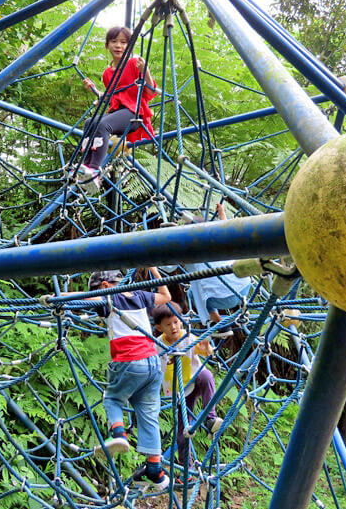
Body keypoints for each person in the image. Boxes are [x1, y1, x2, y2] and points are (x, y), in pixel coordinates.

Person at [90, 266, 172, 491]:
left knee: (113, 398)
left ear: (105, 285)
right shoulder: (139, 294)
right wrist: (155, 271)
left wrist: (55, 298)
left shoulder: (107, 296)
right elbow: (167, 297)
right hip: (153, 363)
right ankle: (154, 468)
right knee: (149, 414)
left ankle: (119, 433)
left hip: (129, 361)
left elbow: (80, 300)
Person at [78, 26, 157, 191]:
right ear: (107, 45)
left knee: (101, 125)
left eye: (123, 42)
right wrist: (97, 92)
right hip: (117, 113)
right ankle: (85, 166)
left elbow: (150, 92)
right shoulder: (107, 73)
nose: (118, 46)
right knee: (89, 123)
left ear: (129, 46)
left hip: (134, 114)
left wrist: (146, 73)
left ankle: (94, 170)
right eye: (114, 41)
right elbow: (112, 97)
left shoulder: (134, 64)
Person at [153, 302, 223, 465]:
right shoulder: (157, 344)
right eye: (168, 324)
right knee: (183, 432)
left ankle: (210, 418)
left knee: (206, 376)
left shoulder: (188, 337)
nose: (174, 327)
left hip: (194, 380)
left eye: (176, 322)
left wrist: (207, 347)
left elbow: (205, 350)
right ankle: (187, 469)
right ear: (159, 327)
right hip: (179, 392)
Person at [184, 203, 252, 328]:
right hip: (244, 288)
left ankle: (219, 323)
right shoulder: (220, 238)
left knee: (193, 293)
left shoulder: (189, 251)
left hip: (222, 299)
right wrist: (221, 213)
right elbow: (226, 227)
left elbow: (168, 267)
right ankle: (244, 308)